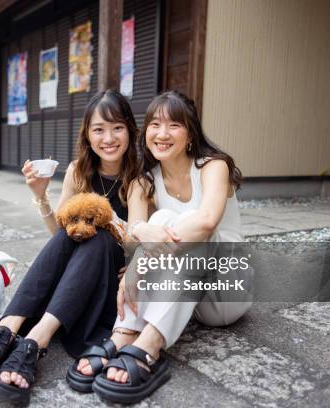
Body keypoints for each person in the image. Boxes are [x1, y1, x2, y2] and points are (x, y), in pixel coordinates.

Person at [0, 90, 145, 403]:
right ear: (87, 134)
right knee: (66, 234)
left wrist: (112, 223)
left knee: (98, 237)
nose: (108, 138)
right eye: (99, 129)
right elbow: (61, 228)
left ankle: (35, 341)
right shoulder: (78, 170)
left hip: (107, 283)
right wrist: (41, 195)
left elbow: (136, 241)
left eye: (117, 128)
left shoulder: (138, 179)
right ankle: (7, 330)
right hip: (76, 274)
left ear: (129, 130)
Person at [89, 91, 252, 404]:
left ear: (190, 132)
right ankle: (124, 334)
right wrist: (140, 228)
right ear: (146, 130)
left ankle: (149, 344)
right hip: (187, 299)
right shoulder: (144, 181)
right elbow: (132, 238)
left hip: (226, 293)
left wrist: (138, 266)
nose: (162, 134)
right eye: (155, 124)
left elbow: (205, 223)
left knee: (182, 220)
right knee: (159, 220)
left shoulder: (212, 166)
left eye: (173, 125)